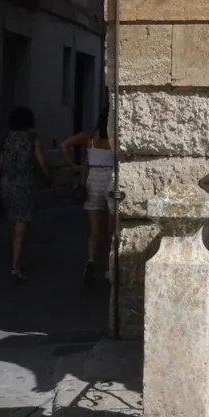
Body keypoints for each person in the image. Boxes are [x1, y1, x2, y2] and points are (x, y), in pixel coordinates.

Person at [0, 106, 50, 283]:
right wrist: (48, 178)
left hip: (7, 184)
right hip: (25, 184)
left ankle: (17, 261)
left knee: (15, 223)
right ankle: (16, 266)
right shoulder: (32, 139)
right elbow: (42, 162)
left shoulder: (3, 140)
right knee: (21, 224)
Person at [61, 108, 114, 285]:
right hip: (111, 179)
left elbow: (65, 145)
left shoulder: (89, 137)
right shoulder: (117, 140)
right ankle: (108, 269)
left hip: (93, 180)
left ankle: (91, 260)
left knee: (94, 231)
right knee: (111, 230)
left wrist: (74, 166)